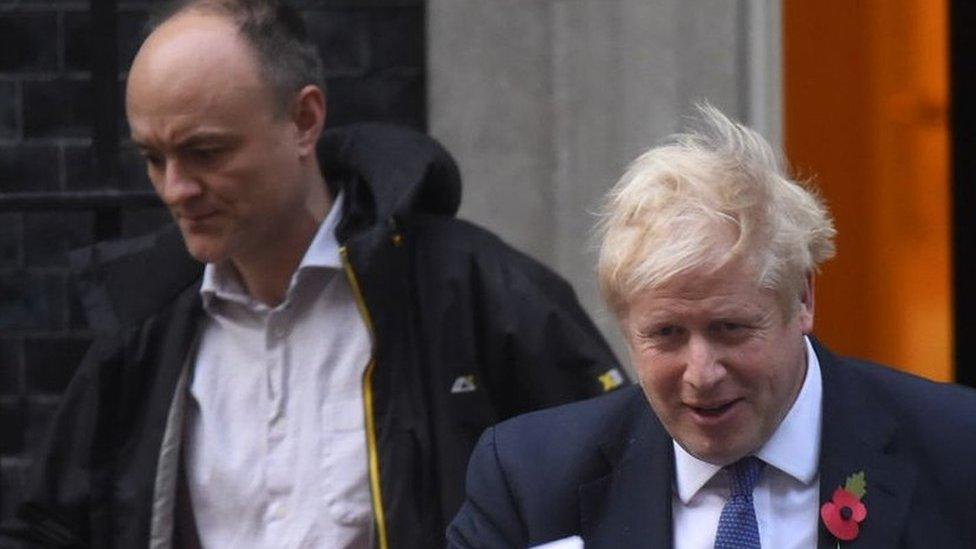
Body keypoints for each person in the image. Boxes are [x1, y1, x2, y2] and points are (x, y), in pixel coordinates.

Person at [3, 1, 626, 547]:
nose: (176, 188)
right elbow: (47, 527)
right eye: (152, 158)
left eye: (206, 152)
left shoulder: (473, 291)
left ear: (304, 121)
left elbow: (626, 488)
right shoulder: (145, 327)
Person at [447, 105, 976, 548]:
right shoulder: (529, 478)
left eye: (729, 328)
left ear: (803, 298)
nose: (701, 373)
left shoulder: (956, 449)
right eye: (666, 334)